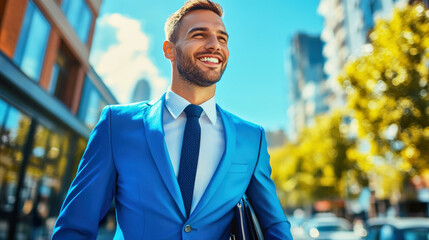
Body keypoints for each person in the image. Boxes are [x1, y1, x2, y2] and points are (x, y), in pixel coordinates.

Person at [52, 0, 293, 239]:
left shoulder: (252, 138)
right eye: (199, 35)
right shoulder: (118, 124)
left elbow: (274, 226)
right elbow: (75, 226)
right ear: (169, 50)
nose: (214, 45)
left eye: (222, 38)